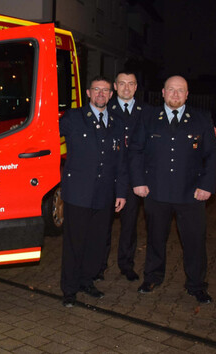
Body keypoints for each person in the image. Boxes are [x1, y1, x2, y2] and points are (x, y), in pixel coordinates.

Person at [129, 75, 216, 304]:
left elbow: (213, 154)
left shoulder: (202, 118)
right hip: (156, 192)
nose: (176, 95)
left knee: (195, 241)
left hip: (191, 194)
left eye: (181, 91)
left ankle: (196, 285)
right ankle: (152, 277)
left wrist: (206, 186)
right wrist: (138, 181)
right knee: (155, 238)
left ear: (188, 94)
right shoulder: (148, 117)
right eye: (171, 90)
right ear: (163, 92)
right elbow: (136, 151)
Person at [59, 76, 128, 307]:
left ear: (111, 95)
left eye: (105, 90)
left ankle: (86, 282)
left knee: (96, 243)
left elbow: (120, 162)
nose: (100, 94)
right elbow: (46, 133)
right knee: (74, 243)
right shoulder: (73, 118)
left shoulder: (117, 124)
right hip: (78, 192)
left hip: (104, 193)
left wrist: (120, 192)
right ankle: (69, 290)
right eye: (96, 89)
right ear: (88, 93)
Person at [97, 71, 151, 282]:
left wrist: (207, 128)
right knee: (103, 225)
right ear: (115, 87)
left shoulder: (146, 111)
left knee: (129, 225)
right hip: (108, 177)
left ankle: (126, 264)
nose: (126, 88)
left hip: (133, 179)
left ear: (136, 87)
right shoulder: (104, 108)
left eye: (131, 84)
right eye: (122, 84)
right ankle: (99, 265)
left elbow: (173, 118)